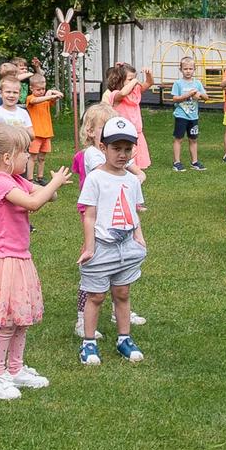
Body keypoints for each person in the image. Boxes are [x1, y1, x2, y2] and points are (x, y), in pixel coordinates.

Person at [0, 121, 66, 398]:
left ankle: (15, 368)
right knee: (7, 321)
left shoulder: (16, 179)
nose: (28, 157)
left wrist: (50, 187)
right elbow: (34, 203)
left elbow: (51, 197)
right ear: (7, 158)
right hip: (5, 261)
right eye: (24, 153)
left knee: (21, 319)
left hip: (20, 258)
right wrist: (52, 183)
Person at [75, 116, 150, 366]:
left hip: (127, 246)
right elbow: (89, 215)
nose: (122, 154)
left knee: (123, 292)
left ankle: (124, 338)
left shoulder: (131, 180)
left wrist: (139, 240)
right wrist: (90, 247)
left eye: (127, 149)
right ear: (103, 148)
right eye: (116, 148)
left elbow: (133, 212)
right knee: (95, 295)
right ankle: (88, 343)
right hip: (102, 246)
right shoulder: (96, 178)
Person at [165, 56, 205, 173]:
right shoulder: (178, 83)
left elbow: (206, 97)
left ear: (194, 69)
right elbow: (174, 98)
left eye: (190, 68)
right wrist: (187, 95)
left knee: (193, 139)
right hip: (181, 116)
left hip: (193, 117)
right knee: (179, 138)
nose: (188, 71)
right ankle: (177, 162)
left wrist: (199, 95)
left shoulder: (197, 83)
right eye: (185, 68)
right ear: (181, 69)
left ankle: (194, 162)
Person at [24, 65, 59, 178]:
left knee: (42, 157)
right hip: (35, 134)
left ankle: (40, 176)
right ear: (31, 89)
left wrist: (52, 93)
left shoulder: (46, 99)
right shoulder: (30, 98)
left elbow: (54, 98)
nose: (41, 92)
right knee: (32, 157)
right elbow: (35, 100)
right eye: (38, 89)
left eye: (43, 89)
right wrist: (48, 96)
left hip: (46, 133)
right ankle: (30, 178)